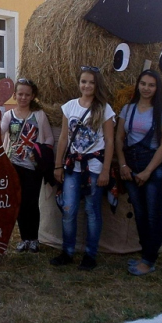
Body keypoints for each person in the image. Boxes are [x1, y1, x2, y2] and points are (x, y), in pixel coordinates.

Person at [52, 66, 115, 271]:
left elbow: (109, 141)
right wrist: (58, 165)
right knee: (69, 209)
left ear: (97, 85)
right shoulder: (69, 107)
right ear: (79, 83)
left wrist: (106, 170)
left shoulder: (104, 109)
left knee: (92, 210)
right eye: (83, 81)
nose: (87, 85)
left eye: (91, 82)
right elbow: (63, 138)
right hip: (73, 167)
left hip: (94, 167)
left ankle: (90, 254)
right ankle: (67, 251)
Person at [116, 70, 162, 276]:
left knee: (153, 213)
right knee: (139, 213)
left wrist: (148, 171)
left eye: (151, 85)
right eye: (143, 84)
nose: (146, 88)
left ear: (157, 89)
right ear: (138, 85)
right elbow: (119, 138)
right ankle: (145, 254)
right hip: (131, 167)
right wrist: (123, 165)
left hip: (154, 169)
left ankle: (149, 259)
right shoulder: (127, 109)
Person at [0, 78, 54, 253]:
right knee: (19, 203)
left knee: (31, 202)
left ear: (32, 96)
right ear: (15, 95)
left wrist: (40, 152)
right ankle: (24, 238)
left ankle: (34, 239)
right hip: (13, 165)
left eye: (27, 94)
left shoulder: (39, 115)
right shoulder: (9, 115)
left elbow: (48, 138)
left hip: (32, 167)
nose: (23, 97)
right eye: (20, 94)